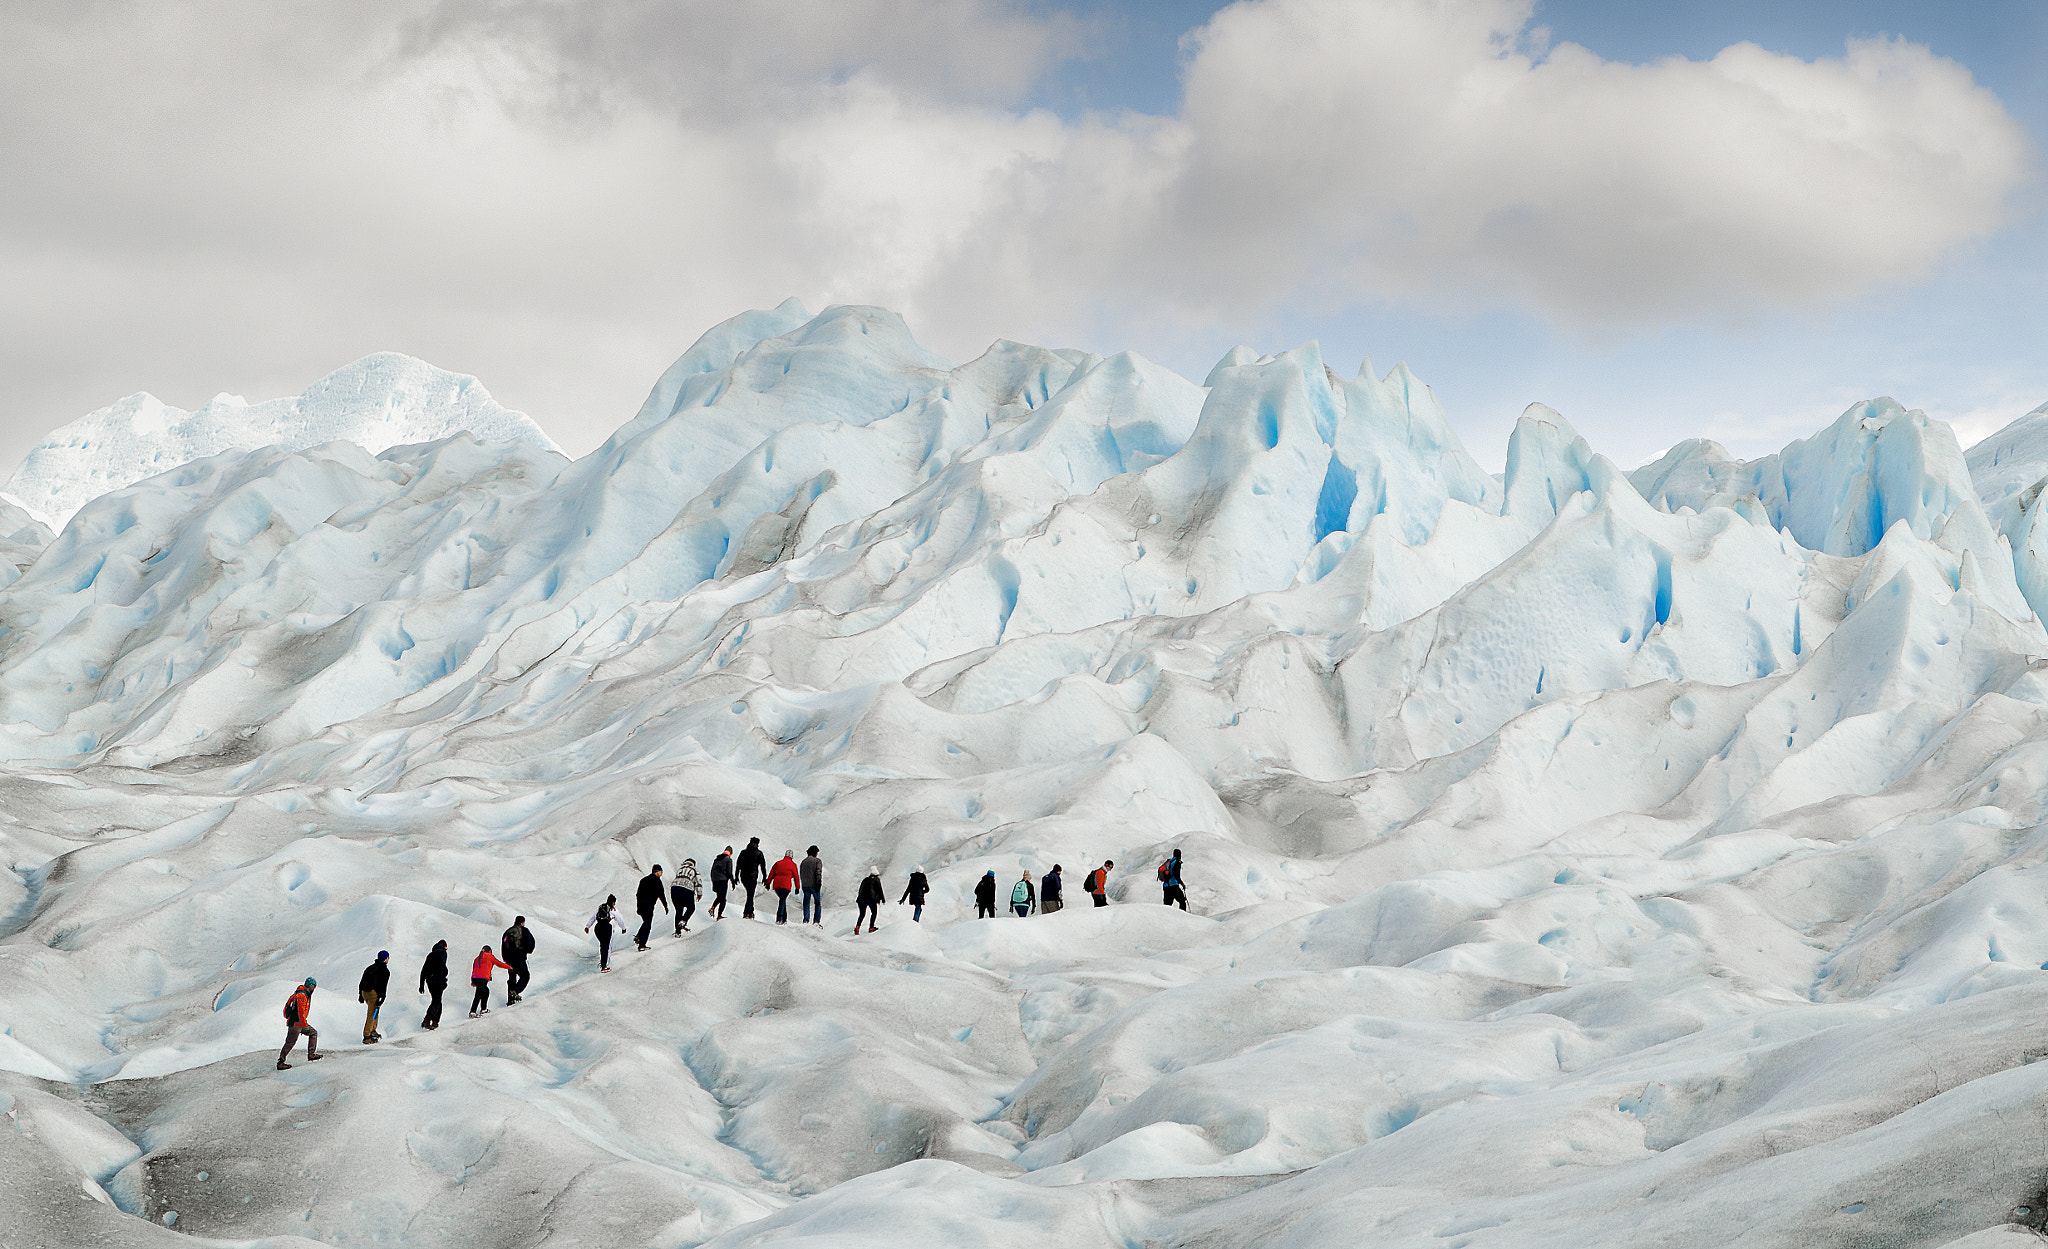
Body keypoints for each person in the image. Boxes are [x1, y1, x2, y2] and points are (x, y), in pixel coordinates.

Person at [278, 978, 322, 1070]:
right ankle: (281, 1062)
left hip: (296, 1022)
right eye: (313, 986)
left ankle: (311, 1054)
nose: (314, 988)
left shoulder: (297, 994)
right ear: (310, 986)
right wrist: (304, 1025)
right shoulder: (302, 995)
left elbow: (287, 1008)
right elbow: (300, 1012)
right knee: (290, 1043)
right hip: (297, 1023)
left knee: (313, 1033)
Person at [500, 916, 536, 1004]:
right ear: (523, 922)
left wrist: (505, 959)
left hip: (509, 959)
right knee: (525, 976)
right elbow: (531, 942)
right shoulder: (524, 930)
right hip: (519, 957)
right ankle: (515, 991)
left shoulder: (507, 932)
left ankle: (510, 1000)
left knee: (512, 978)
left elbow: (503, 945)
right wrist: (525, 951)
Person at [358, 951, 390, 1043]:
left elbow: (362, 981)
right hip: (373, 993)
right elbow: (382, 986)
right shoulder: (384, 971)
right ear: (385, 958)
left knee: (375, 1010)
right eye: (388, 957)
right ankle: (367, 1035)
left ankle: (373, 1029)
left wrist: (360, 994)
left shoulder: (370, 968)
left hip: (365, 992)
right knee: (372, 1013)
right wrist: (382, 998)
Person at [470, 945, 512, 1017]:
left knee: (485, 991)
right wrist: (509, 967)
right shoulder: (489, 956)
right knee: (479, 994)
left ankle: (483, 1009)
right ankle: (473, 1012)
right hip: (482, 978)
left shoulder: (477, 958)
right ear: (489, 951)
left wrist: (473, 981)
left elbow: (474, 969)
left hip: (476, 978)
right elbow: (499, 963)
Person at [635, 865, 669, 951]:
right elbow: (661, 894)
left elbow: (638, 894)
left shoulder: (643, 880)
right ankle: (642, 945)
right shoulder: (657, 881)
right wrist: (665, 906)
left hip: (641, 905)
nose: (661, 874)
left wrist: (638, 906)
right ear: (658, 871)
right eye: (661, 872)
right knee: (648, 925)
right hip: (648, 905)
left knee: (646, 922)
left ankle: (639, 936)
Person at [419, 940, 449, 1030]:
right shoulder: (442, 952)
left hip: (430, 980)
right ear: (444, 946)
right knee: (436, 1001)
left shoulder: (430, 955)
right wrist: (445, 973)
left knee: (437, 1000)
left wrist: (421, 984)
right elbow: (441, 964)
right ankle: (428, 1019)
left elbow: (424, 970)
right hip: (438, 980)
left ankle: (435, 1021)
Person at [737, 837, 767, 919]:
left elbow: (738, 864)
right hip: (752, 877)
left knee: (750, 894)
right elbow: (763, 867)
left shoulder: (743, 852)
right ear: (757, 844)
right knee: (750, 895)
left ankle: (750, 911)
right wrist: (765, 878)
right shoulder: (759, 853)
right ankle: (747, 913)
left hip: (743, 876)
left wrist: (736, 876)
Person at [586, 895, 618, 971]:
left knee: (602, 946)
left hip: (598, 928)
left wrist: (587, 926)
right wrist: (623, 928)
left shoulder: (601, 907)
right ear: (613, 902)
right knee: (606, 947)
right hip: (607, 928)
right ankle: (604, 966)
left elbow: (593, 917)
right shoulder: (612, 910)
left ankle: (603, 963)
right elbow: (619, 919)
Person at [769, 849, 800, 923]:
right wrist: (797, 888)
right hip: (786, 886)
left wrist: (768, 882)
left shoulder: (778, 863)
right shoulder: (793, 865)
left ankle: (784, 919)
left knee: (782, 899)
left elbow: (771, 873)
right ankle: (779, 919)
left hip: (777, 885)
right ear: (792, 857)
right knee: (782, 900)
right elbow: (796, 877)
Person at [673, 859, 700, 934]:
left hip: (674, 888)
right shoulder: (694, 870)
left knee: (679, 910)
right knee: (691, 908)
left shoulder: (680, 869)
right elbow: (698, 881)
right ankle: (683, 920)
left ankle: (677, 932)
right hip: (686, 888)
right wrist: (699, 893)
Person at [800, 845, 824, 926]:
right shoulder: (817, 861)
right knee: (817, 903)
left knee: (806, 902)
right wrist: (819, 883)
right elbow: (818, 872)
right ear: (815, 853)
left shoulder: (803, 862)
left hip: (805, 885)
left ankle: (806, 920)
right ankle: (816, 921)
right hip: (814, 885)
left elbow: (801, 874)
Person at [855, 866, 885, 933]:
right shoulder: (876, 879)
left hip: (861, 899)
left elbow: (860, 889)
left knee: (862, 914)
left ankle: (857, 927)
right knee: (874, 912)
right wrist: (882, 899)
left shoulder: (865, 879)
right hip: (871, 899)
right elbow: (879, 890)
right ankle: (871, 927)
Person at [710, 847, 733, 920]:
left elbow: (712, 871)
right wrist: (732, 881)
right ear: (730, 853)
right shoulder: (728, 860)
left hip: (715, 881)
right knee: (723, 899)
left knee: (720, 897)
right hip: (723, 881)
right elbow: (729, 872)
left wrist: (713, 882)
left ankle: (713, 908)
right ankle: (719, 915)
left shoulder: (717, 859)